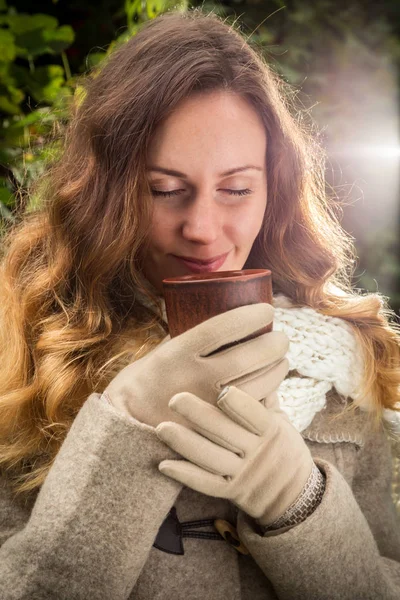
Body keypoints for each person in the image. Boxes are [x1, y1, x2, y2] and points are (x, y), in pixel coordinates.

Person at [0, 8, 399, 600]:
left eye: (236, 189)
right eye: (164, 190)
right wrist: (129, 423)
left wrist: (300, 504)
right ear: (108, 193)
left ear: (274, 188)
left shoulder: (344, 361)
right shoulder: (23, 348)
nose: (204, 230)